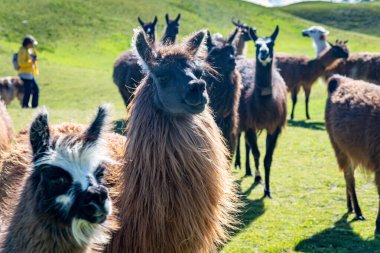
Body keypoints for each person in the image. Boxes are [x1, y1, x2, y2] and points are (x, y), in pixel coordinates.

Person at [18, 35, 39, 108]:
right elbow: (21, 63)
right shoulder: (22, 51)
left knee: (35, 90)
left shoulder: (28, 51)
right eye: (32, 44)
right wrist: (31, 62)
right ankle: (25, 105)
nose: (32, 45)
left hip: (30, 74)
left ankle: (34, 105)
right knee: (28, 91)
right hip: (24, 74)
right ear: (28, 43)